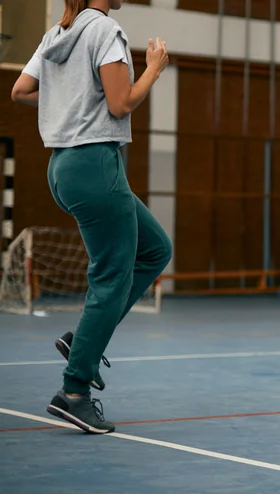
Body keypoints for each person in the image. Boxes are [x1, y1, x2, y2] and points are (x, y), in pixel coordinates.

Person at [11, 0, 172, 433]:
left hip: (62, 168)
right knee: (111, 274)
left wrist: (69, 98)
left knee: (156, 248)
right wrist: (154, 68)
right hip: (96, 164)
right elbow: (121, 104)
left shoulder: (56, 34)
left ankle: (81, 341)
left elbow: (20, 90)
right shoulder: (105, 30)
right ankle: (74, 391)